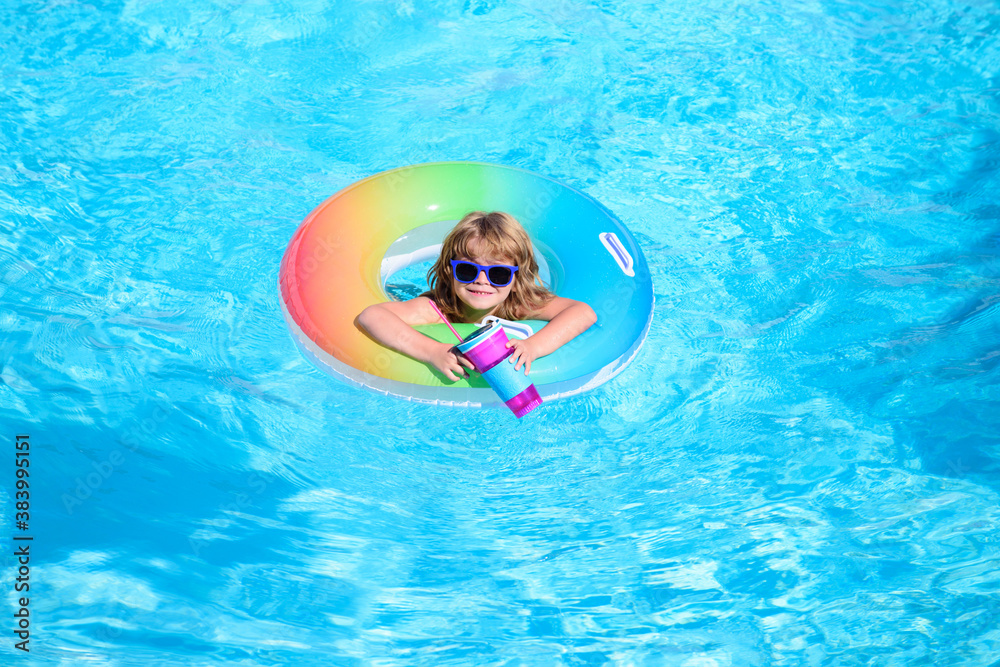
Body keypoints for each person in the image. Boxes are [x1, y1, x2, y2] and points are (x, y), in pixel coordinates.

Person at [357, 211, 597, 382]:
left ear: (516, 279)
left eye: (499, 273)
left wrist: (533, 346)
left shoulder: (518, 305)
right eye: (467, 270)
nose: (482, 280)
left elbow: (583, 313)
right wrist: (431, 351)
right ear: (449, 271)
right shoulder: (436, 308)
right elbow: (372, 315)